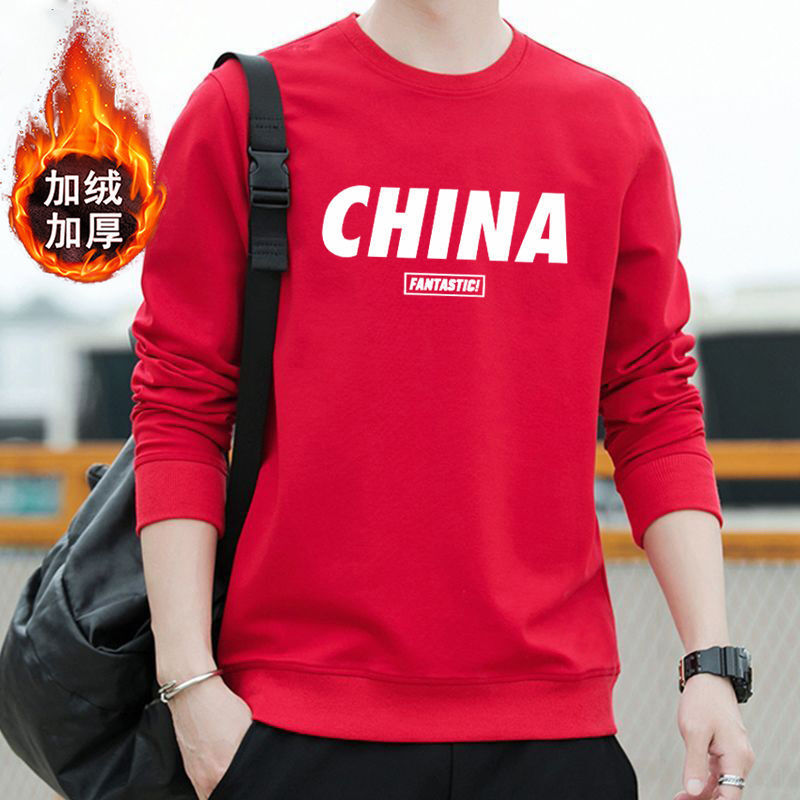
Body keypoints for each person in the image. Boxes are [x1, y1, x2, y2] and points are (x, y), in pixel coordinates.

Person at [130, 2, 755, 798]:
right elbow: (180, 404)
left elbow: (656, 407)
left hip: (551, 731)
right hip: (294, 720)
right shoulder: (244, 111)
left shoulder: (607, 127)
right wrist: (189, 688)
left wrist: (710, 663)